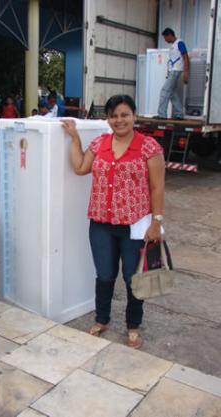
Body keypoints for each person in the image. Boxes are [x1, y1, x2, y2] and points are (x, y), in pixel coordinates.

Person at [61, 94, 165, 350]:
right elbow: (80, 168)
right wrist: (75, 139)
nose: (119, 120)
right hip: (101, 223)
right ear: (108, 119)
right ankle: (102, 319)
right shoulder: (99, 144)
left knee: (133, 278)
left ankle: (132, 325)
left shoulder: (148, 146)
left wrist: (156, 221)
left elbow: (157, 186)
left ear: (134, 116)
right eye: (114, 115)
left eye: (124, 114)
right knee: (105, 275)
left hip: (135, 225)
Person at [157, 27, 189, 119]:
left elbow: (186, 57)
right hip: (173, 70)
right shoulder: (174, 45)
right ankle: (179, 114)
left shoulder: (179, 43)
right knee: (172, 93)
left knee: (165, 91)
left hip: (176, 70)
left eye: (165, 38)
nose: (165, 40)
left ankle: (161, 115)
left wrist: (186, 73)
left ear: (170, 35)